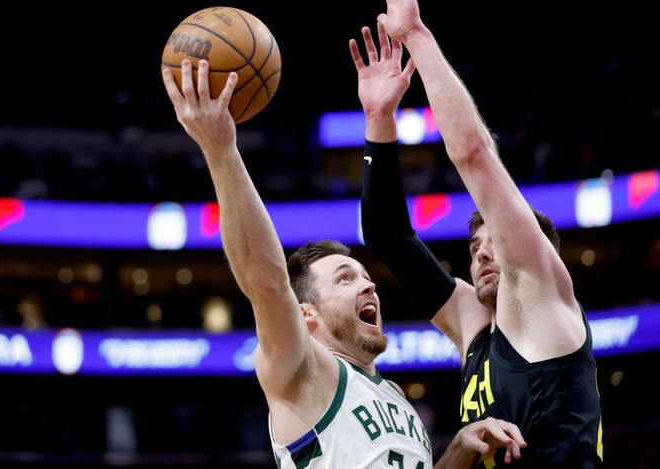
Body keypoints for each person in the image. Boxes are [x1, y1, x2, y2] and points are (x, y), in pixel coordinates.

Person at [161, 55, 527, 467]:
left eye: (365, 277)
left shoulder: (397, 400)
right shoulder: (301, 371)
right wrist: (221, 151)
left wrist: (460, 447)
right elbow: (266, 282)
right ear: (306, 314)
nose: (369, 285)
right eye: (344, 279)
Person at [357, 0, 603, 468]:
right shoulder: (474, 322)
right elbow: (388, 238)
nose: (484, 255)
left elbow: (473, 154)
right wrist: (379, 121)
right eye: (475, 246)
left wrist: (415, 37)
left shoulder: (540, 294)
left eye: (496, 243)